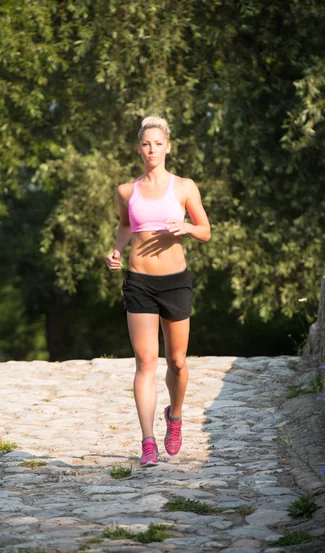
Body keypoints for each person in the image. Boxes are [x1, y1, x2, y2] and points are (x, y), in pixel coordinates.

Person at [105, 115, 210, 466]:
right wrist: (117, 251)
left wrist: (187, 227)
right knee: (146, 361)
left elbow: (206, 230)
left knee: (177, 362)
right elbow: (124, 226)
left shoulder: (184, 187)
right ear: (139, 148)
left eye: (158, 144)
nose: (152, 149)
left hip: (175, 281)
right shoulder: (125, 191)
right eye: (146, 144)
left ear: (168, 147)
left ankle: (175, 416)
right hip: (139, 282)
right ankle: (147, 442)